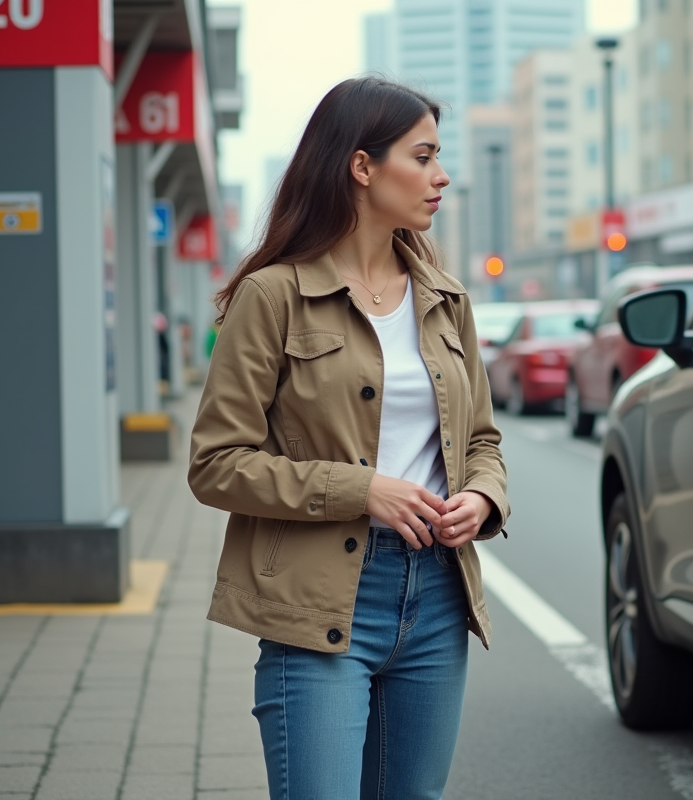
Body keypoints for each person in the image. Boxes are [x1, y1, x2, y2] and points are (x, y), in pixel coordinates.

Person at [187, 77, 509, 799]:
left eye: (439, 157)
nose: (441, 175)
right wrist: (361, 490)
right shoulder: (273, 295)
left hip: (436, 595)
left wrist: (482, 499)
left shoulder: (445, 298)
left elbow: (482, 440)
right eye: (422, 156)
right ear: (362, 167)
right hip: (319, 600)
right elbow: (215, 465)